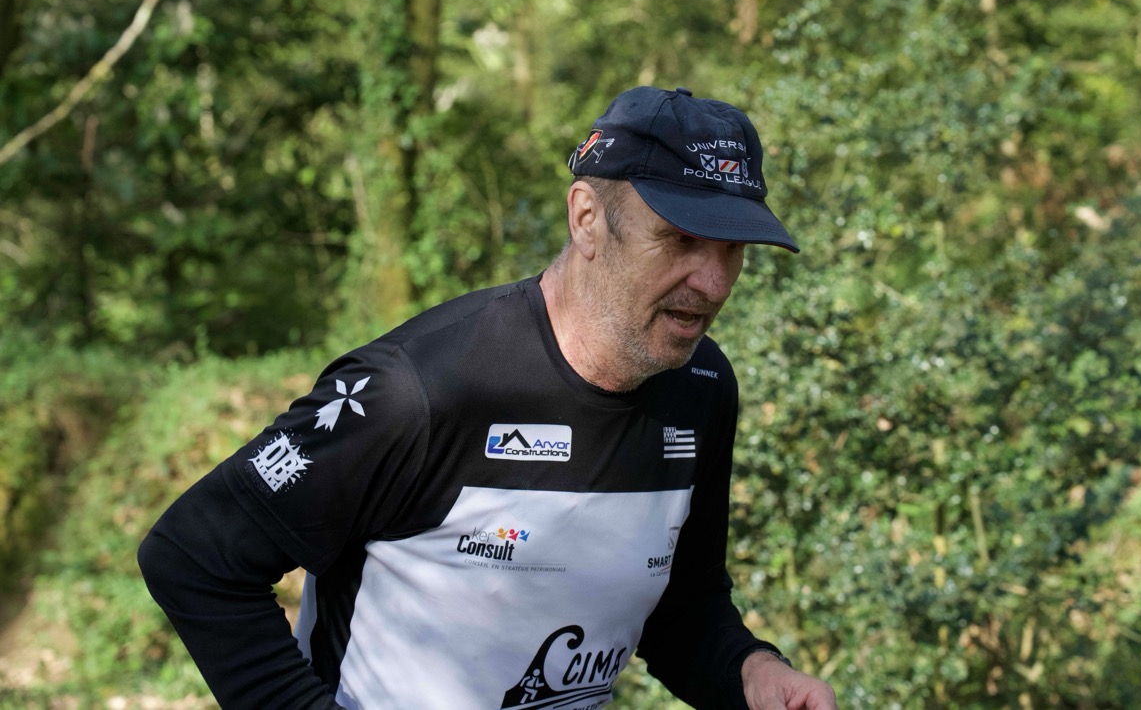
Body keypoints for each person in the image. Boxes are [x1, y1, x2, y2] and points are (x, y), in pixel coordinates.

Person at [138, 85, 837, 710]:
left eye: (732, 248)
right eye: (680, 239)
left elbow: (681, 605)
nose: (713, 283)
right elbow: (193, 555)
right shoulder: (419, 390)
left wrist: (751, 672)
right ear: (587, 219)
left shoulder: (702, 389)